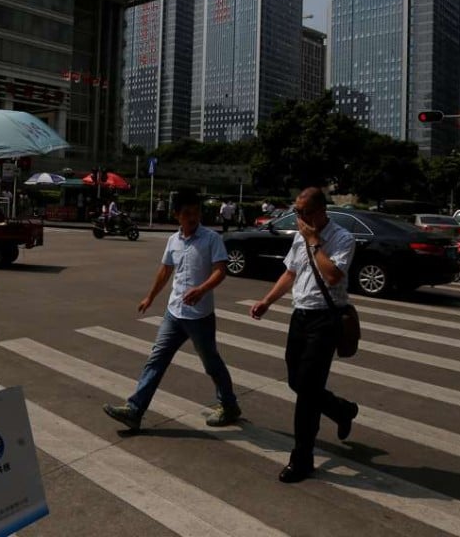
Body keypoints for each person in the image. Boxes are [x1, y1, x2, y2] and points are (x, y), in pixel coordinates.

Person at [103, 189, 240, 430]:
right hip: (174, 313)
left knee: (211, 363)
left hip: (200, 317)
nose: (192, 218)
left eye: (195, 213)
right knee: (156, 360)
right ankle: (135, 410)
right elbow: (165, 271)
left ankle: (229, 405)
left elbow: (221, 270)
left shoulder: (211, 239)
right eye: (187, 213)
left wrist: (201, 289)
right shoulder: (173, 241)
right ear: (176, 215)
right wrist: (150, 297)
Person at [249, 187, 359, 483]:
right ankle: (341, 409)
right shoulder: (299, 236)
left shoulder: (342, 239)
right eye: (296, 212)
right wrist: (267, 301)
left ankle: (302, 458)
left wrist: (313, 241)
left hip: (326, 320)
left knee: (308, 393)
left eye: (304, 212)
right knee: (296, 381)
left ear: (322, 210)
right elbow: (291, 273)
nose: (299, 218)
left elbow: (334, 275)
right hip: (300, 317)